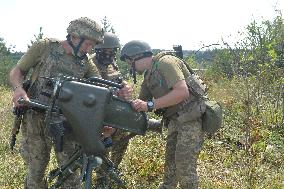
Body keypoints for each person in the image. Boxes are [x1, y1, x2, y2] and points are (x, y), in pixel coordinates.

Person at [9, 17, 132, 189]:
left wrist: (121, 89)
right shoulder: (45, 47)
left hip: (67, 122)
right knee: (36, 173)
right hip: (35, 119)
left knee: (71, 176)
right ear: (74, 37)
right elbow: (18, 70)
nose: (90, 49)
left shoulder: (85, 61)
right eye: (88, 44)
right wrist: (18, 89)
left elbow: (100, 85)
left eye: (92, 45)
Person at [120, 40, 206, 189]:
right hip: (175, 120)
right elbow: (140, 102)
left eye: (130, 63)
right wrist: (125, 97)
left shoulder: (166, 63)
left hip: (191, 118)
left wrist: (150, 105)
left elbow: (182, 92)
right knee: (171, 164)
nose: (130, 67)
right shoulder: (149, 75)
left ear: (137, 56)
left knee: (184, 164)